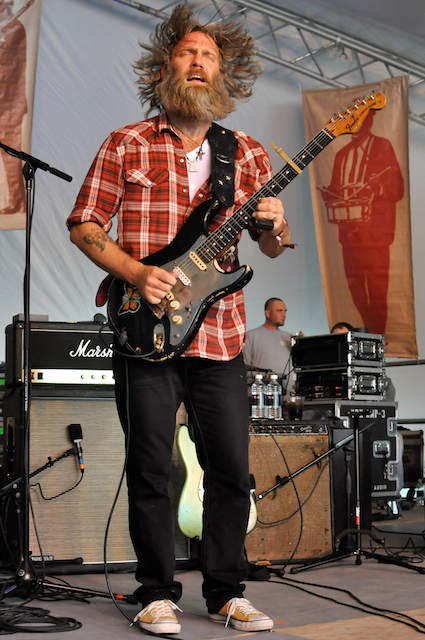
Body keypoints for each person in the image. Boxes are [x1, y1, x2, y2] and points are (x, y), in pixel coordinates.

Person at [66, 5, 291, 635]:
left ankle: (225, 591)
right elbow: (85, 224)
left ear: (225, 73)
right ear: (166, 66)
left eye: (209, 55)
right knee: (151, 464)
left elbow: (269, 248)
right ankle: (156, 592)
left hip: (220, 333)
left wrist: (274, 225)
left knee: (228, 465)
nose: (198, 61)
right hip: (145, 323)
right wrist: (138, 274)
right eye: (187, 52)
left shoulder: (243, 152)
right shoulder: (126, 142)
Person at [321, 110, 404, 335]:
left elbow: (397, 189)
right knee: (354, 285)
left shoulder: (383, 147)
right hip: (347, 231)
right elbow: (336, 189)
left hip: (375, 232)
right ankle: (366, 329)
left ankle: (378, 334)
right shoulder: (341, 155)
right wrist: (330, 194)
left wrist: (375, 189)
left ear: (368, 123)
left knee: (376, 287)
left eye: (359, 123)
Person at [0, 0, 28, 215]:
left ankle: (18, 203)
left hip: (10, 106)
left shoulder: (15, 29)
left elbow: (13, 70)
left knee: (11, 158)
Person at [243, 298, 292, 379]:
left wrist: (301, 345)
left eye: (285, 311)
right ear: (268, 313)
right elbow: (245, 367)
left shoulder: (288, 337)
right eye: (279, 311)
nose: (284, 314)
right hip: (262, 388)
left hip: (288, 390)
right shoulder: (251, 335)